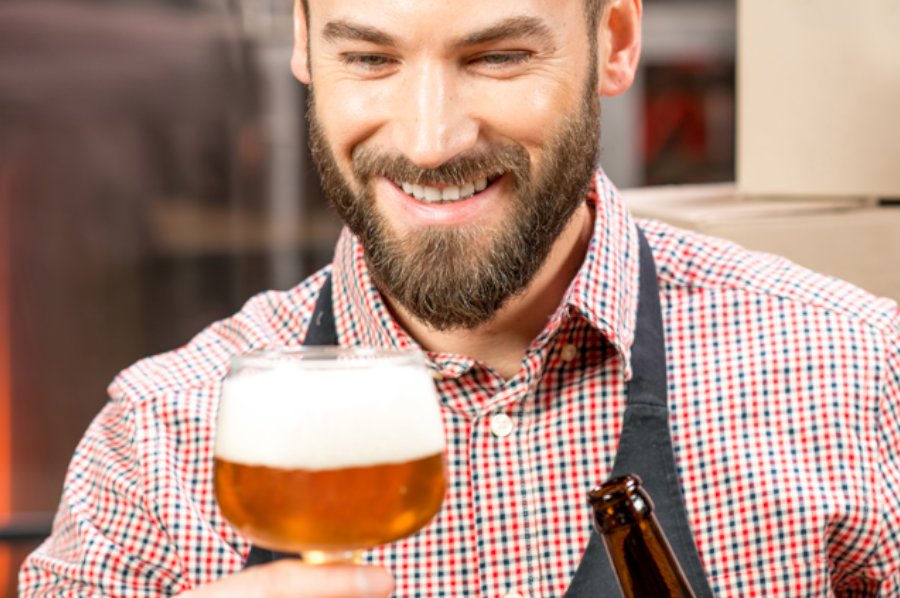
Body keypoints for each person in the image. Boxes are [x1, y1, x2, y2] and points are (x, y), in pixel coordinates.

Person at [20, 0, 900, 595]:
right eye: (369, 58)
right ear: (303, 44)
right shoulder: (158, 448)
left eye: (499, 57)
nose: (431, 139)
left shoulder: (860, 374)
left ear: (616, 40)